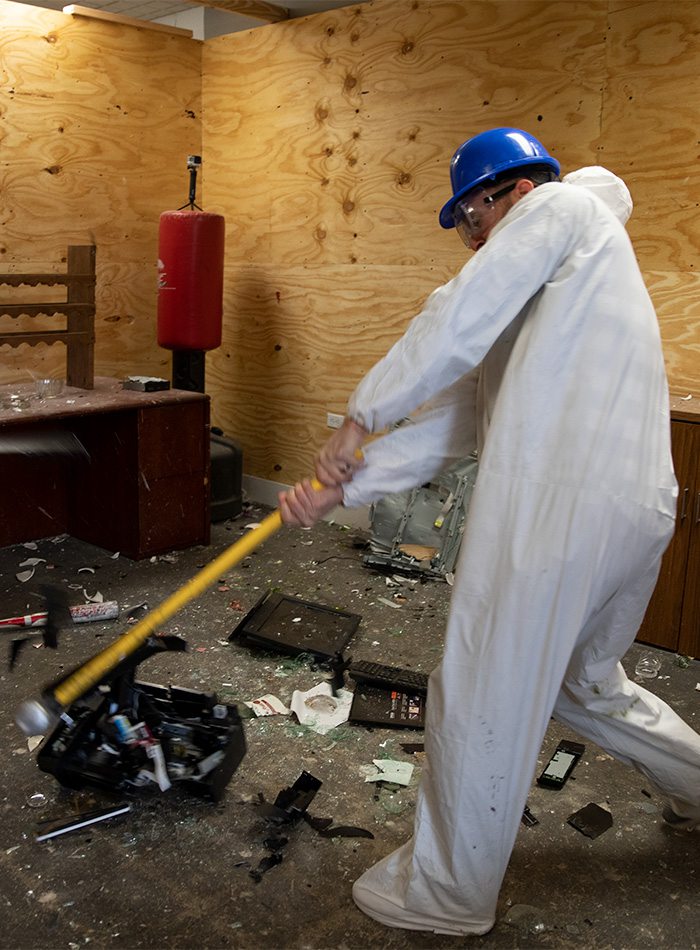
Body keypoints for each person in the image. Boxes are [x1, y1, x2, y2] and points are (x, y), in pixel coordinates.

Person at [279, 128, 700, 935]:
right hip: (634, 510)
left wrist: (362, 412)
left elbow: (455, 312)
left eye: (468, 219)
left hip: (557, 505)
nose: (471, 239)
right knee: (587, 684)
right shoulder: (574, 277)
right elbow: (462, 422)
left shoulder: (560, 210)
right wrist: (347, 487)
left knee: (482, 694)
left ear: (496, 193)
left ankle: (446, 894)